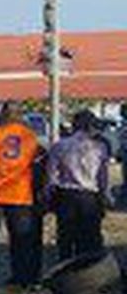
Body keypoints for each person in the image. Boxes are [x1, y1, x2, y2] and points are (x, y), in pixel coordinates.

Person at [0, 103, 43, 288]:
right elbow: (35, 162)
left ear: (2, 115)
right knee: (20, 240)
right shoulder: (30, 136)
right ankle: (21, 278)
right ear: (20, 115)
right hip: (20, 194)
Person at [46, 109, 112, 260]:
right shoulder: (99, 147)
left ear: (74, 125)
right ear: (90, 126)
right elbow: (103, 178)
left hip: (66, 196)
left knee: (66, 239)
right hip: (90, 197)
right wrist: (105, 198)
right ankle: (88, 275)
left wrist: (49, 197)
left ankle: (67, 273)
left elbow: (52, 177)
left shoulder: (60, 146)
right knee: (90, 238)